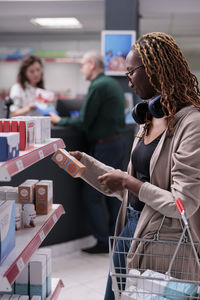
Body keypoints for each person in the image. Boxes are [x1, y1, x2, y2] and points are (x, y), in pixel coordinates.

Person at [69, 32, 200, 300]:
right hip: (129, 228)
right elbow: (129, 186)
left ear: (154, 69)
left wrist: (131, 183)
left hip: (162, 238)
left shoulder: (192, 125)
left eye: (131, 73)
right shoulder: (147, 120)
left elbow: (183, 204)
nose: (128, 81)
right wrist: (86, 165)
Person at [50, 50, 126, 254]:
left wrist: (59, 121)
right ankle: (115, 240)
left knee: (91, 195)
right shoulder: (111, 84)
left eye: (83, 64)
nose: (81, 68)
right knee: (113, 194)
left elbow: (84, 121)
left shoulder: (98, 85)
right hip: (116, 143)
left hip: (105, 145)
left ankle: (103, 241)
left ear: (92, 64)